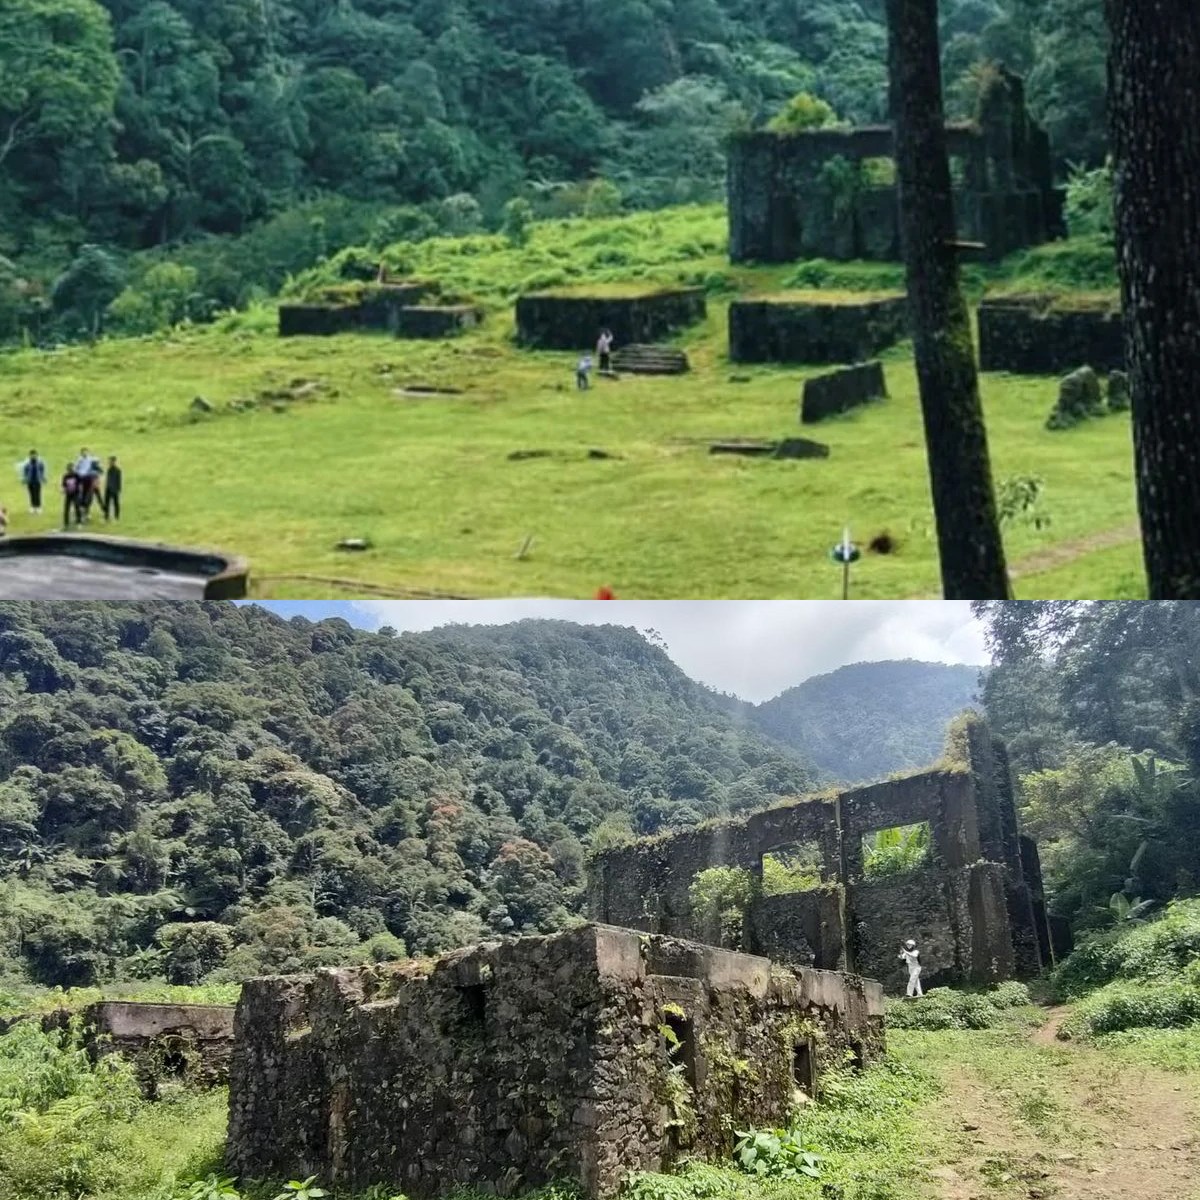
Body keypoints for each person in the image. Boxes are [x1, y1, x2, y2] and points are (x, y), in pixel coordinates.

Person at [19, 450, 45, 514]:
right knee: (31, 494)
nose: (33, 456)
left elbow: (42, 470)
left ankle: (38, 507)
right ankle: (32, 507)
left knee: (37, 494)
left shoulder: (40, 463)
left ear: (37, 455)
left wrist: (43, 478)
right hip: (30, 481)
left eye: (34, 455)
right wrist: (24, 479)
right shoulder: (27, 463)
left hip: (37, 481)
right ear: (30, 455)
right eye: (32, 455)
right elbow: (24, 472)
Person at [61, 461, 82, 530]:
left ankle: (79, 522)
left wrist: (79, 492)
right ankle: (66, 523)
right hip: (68, 494)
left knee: (77, 507)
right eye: (69, 468)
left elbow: (80, 484)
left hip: (75, 494)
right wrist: (63, 490)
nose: (71, 470)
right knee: (66, 509)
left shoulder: (76, 475)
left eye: (72, 468)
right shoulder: (65, 476)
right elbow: (64, 485)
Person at [102, 456, 122, 522]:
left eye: (110, 461)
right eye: (109, 461)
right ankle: (106, 517)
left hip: (114, 489)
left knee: (116, 503)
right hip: (108, 489)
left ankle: (117, 517)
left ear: (114, 461)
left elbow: (119, 480)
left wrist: (118, 489)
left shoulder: (118, 470)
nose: (109, 462)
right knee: (106, 503)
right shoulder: (109, 470)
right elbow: (108, 479)